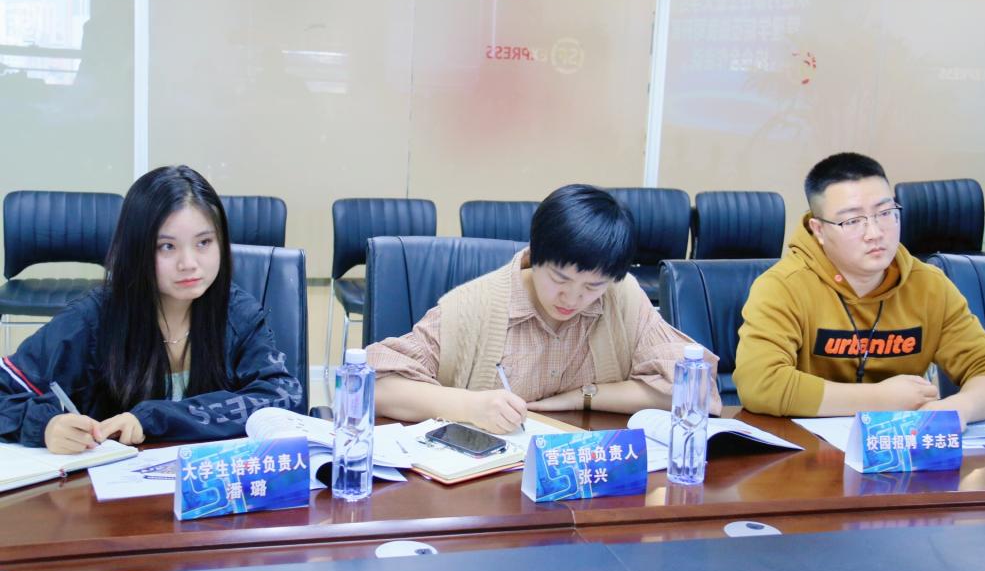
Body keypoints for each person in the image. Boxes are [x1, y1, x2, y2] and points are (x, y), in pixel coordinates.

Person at [367, 183, 720, 434]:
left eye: (592, 287)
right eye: (560, 279)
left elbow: (696, 390)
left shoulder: (620, 296)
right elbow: (375, 385)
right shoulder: (474, 306)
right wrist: (470, 406)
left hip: (584, 481)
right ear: (534, 255)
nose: (572, 298)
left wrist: (585, 397)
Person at [0, 166, 303, 454]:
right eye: (167, 247)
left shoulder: (237, 313)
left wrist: (155, 418)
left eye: (204, 242)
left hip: (213, 482)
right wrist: (44, 426)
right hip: (107, 486)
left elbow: (283, 396)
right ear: (136, 249)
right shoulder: (91, 319)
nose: (189, 263)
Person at [733, 152, 985, 426]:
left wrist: (957, 409)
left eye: (885, 213)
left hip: (901, 445)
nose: (874, 233)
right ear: (818, 230)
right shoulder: (783, 286)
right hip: (806, 446)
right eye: (852, 221)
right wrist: (879, 398)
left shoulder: (929, 286)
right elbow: (760, 383)